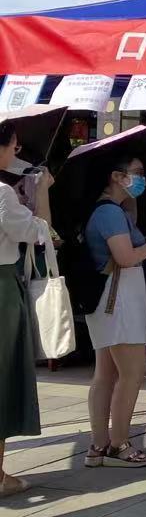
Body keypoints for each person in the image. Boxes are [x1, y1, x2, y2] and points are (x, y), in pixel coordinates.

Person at [84, 155, 146, 469]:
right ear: (117, 176)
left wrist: (130, 203)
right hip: (117, 301)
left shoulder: (112, 210)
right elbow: (125, 257)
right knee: (132, 372)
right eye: (137, 173)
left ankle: (99, 445)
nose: (142, 178)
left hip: (110, 300)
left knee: (106, 373)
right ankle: (119, 444)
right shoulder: (109, 213)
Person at [0, 122, 52, 496]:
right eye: (14, 145)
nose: (16, 153)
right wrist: (42, 192)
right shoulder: (2, 193)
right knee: (3, 379)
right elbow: (39, 232)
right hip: (2, 288)